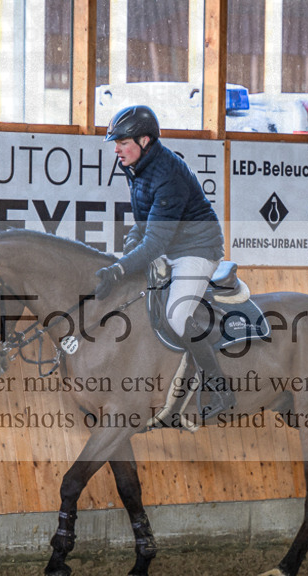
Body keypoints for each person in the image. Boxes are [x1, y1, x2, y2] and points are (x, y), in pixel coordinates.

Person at [93, 105, 235, 420]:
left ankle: (219, 387)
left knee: (176, 314)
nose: (116, 149)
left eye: (123, 142)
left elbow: (155, 243)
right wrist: (131, 242)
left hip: (197, 249)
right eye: (116, 143)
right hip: (171, 244)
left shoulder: (168, 174)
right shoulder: (138, 168)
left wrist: (119, 268)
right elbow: (146, 226)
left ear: (145, 141)